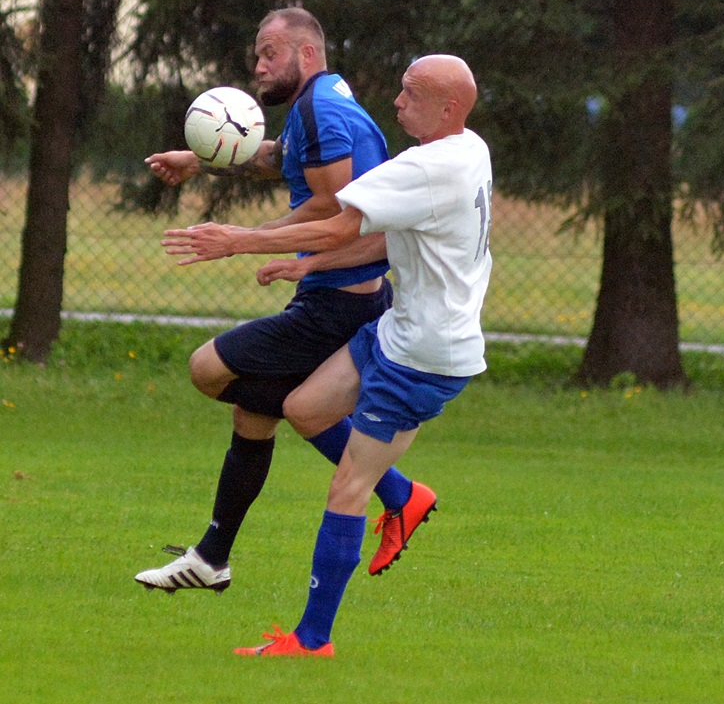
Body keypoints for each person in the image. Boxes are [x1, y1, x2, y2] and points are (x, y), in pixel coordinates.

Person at [161, 53, 492, 657]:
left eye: (410, 93)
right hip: (398, 326)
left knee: (346, 490)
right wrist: (306, 265)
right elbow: (388, 236)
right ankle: (406, 496)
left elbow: (341, 225)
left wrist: (238, 241)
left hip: (423, 355)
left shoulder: (425, 166)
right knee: (305, 408)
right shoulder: (471, 147)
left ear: (447, 108)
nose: (396, 102)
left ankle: (312, 639)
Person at [136, 8, 435, 595]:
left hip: (337, 304)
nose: (258, 66)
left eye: (269, 52)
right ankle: (211, 558)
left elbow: (332, 208)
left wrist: (240, 241)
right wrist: (200, 160)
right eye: (257, 54)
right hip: (351, 295)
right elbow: (283, 158)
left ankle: (399, 492)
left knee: (208, 369)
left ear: (306, 54)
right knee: (260, 413)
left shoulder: (321, 108)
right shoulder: (321, 102)